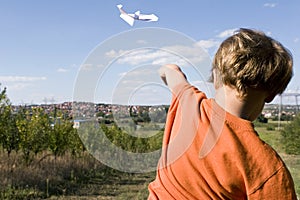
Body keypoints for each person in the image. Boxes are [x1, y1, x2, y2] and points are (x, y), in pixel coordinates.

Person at [148, 28, 297, 199]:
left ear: (217, 76)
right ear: (272, 94)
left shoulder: (188, 103)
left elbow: (169, 69)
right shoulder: (268, 167)